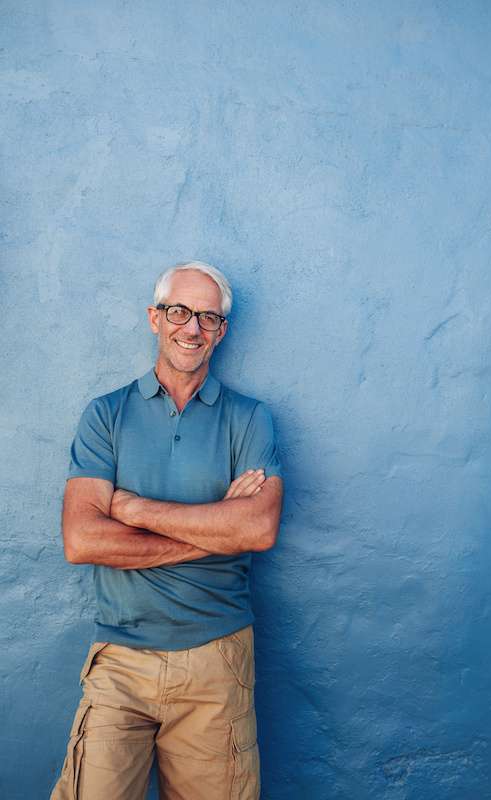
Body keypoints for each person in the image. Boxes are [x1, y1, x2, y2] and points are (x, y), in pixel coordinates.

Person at [50, 261, 284, 800]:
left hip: (217, 661)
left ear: (221, 331)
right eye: (179, 311)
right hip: (120, 659)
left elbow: (259, 526)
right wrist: (212, 529)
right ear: (155, 318)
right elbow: (82, 540)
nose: (192, 328)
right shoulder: (105, 415)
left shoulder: (249, 418)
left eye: (207, 316)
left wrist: (131, 508)